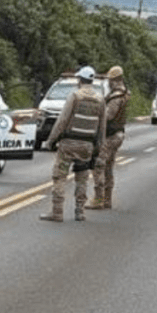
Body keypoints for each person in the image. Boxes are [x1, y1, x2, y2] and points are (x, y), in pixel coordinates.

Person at [41, 65, 106, 222]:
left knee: (60, 176)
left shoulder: (75, 96)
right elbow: (101, 128)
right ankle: (80, 211)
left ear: (79, 80)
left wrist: (50, 141)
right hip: (86, 147)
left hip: (68, 144)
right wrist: (98, 149)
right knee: (82, 178)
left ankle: (57, 212)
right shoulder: (100, 100)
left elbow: (62, 121)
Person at [86, 65, 130, 210]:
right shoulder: (124, 93)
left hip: (110, 135)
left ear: (114, 80)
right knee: (108, 167)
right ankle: (107, 200)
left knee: (99, 165)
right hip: (117, 134)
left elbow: (108, 116)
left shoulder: (116, 97)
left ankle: (99, 199)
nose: (108, 83)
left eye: (110, 80)